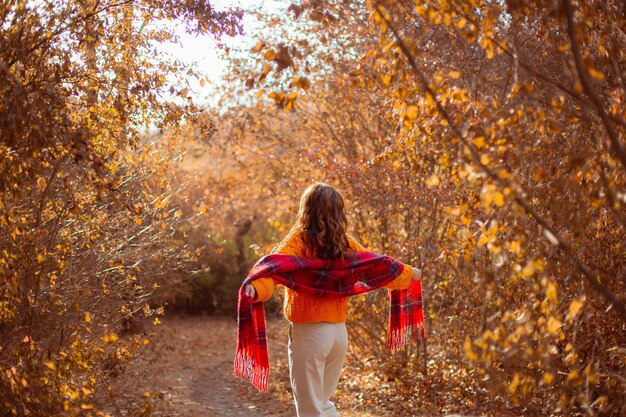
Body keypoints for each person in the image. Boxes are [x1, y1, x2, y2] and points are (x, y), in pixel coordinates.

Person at [240, 183, 423, 417]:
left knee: (310, 409)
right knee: (322, 405)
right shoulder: (344, 244)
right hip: (338, 335)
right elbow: (373, 266)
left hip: (310, 335)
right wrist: (409, 273)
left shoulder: (299, 241)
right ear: (339, 212)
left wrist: (254, 289)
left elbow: (272, 272)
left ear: (307, 210)